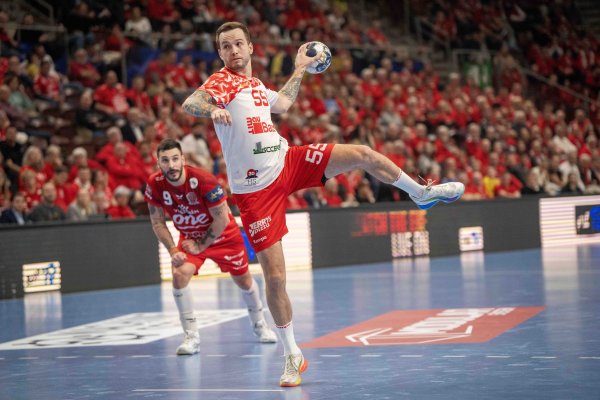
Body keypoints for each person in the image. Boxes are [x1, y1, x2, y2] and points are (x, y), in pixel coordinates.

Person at [182, 21, 464, 387]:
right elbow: (192, 102)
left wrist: (299, 68)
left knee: (362, 153)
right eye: (225, 46)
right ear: (220, 52)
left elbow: (283, 103)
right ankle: (292, 356)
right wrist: (212, 110)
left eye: (238, 43)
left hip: (288, 161)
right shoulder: (222, 82)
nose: (233, 50)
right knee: (276, 278)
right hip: (254, 191)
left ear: (251, 47)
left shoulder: (256, 86)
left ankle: (420, 194)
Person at [144, 138, 277, 356]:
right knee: (179, 275)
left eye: (175, 159)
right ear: (159, 163)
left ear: (183, 160)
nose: (171, 165)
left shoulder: (203, 180)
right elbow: (157, 221)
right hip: (190, 237)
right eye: (165, 160)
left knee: (244, 281)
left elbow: (222, 218)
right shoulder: (154, 184)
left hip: (224, 236)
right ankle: (191, 337)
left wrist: (201, 245)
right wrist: (173, 250)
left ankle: (260, 324)